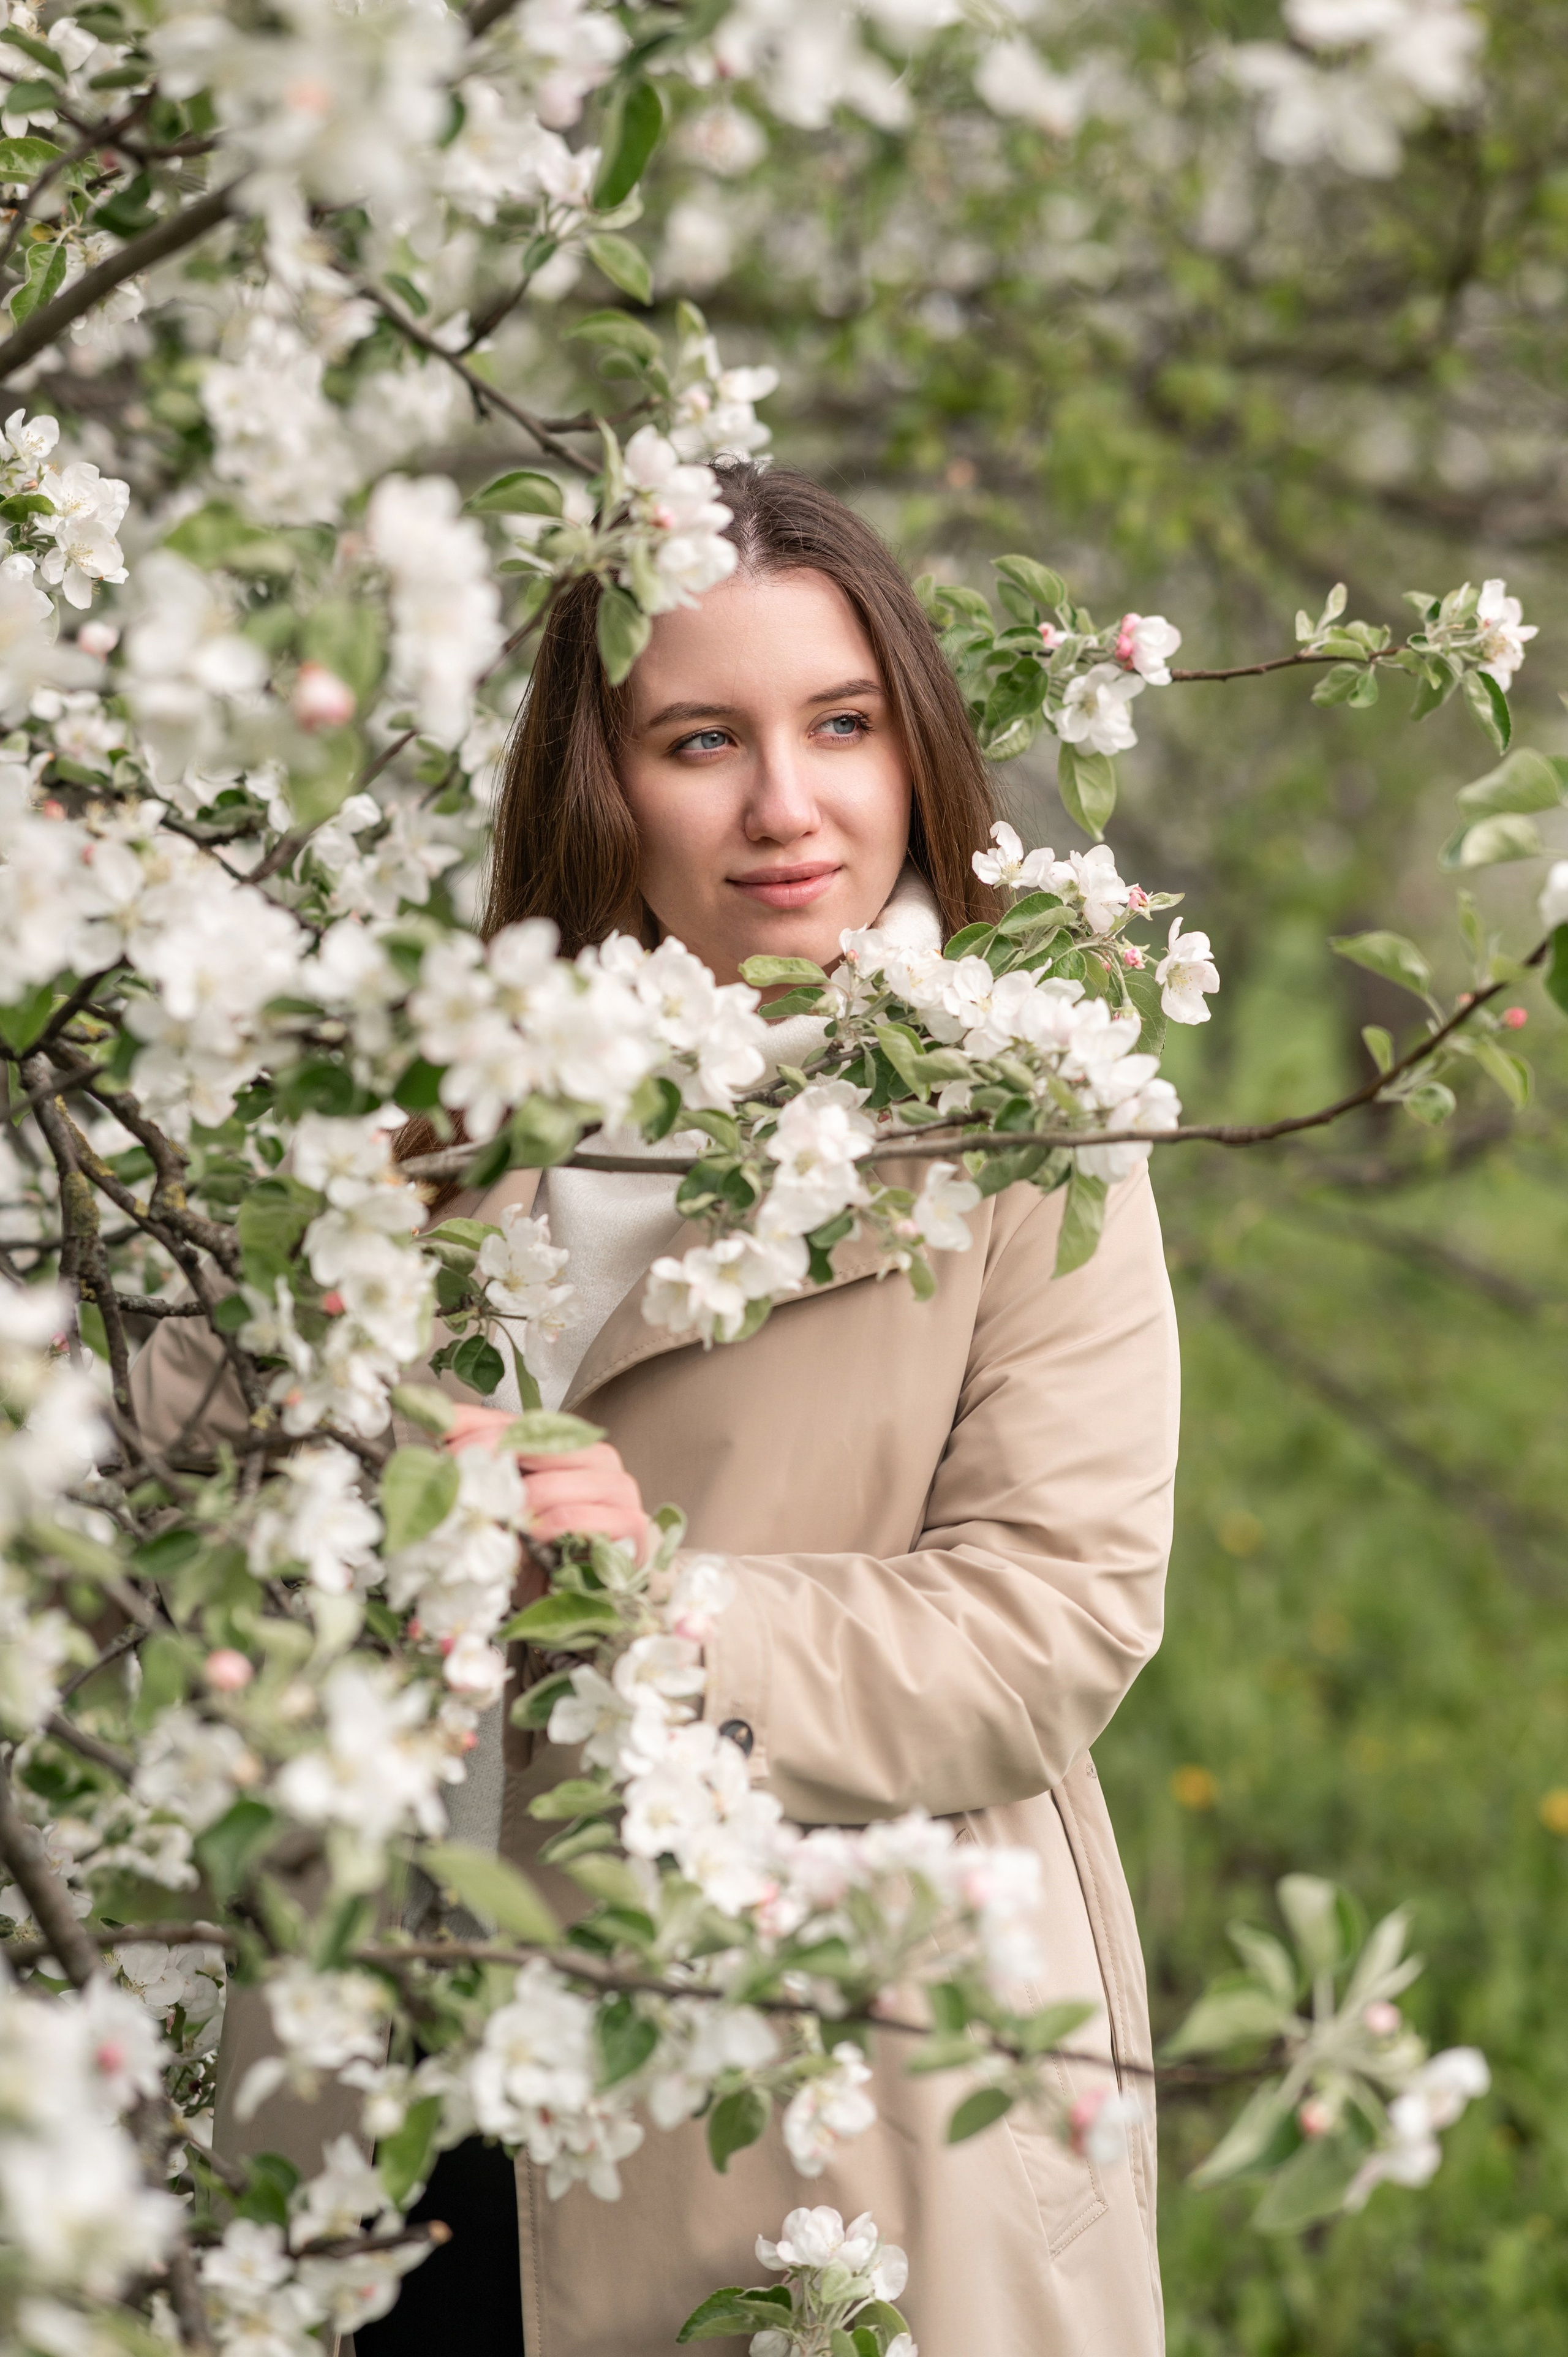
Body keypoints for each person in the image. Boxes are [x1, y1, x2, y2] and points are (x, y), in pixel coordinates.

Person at [132, 462, 1180, 2357]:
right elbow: (177, 1487)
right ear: (600, 783)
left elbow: (1056, 1619)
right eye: (704, 740)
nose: (790, 806)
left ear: (914, 748)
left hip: (816, 2127)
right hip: (395, 2088)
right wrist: (320, 1222)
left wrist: (669, 1608)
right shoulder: (452, 1087)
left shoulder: (1022, 1125)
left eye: (843, 727)